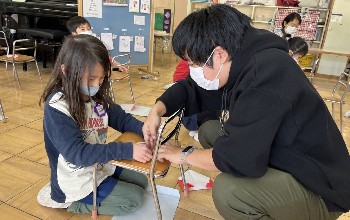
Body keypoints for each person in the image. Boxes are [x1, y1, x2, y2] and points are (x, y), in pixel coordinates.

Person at [143, 4, 350, 220]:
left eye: (194, 63)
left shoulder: (265, 74)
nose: (193, 71)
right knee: (210, 130)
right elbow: (192, 88)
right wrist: (157, 110)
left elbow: (237, 156)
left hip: (320, 188)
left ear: (219, 54)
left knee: (229, 191)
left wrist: (183, 154)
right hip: (288, 157)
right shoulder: (242, 57)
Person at [38, 35, 152, 216]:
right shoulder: (58, 107)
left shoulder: (96, 98)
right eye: (91, 79)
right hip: (75, 179)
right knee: (134, 199)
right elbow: (78, 154)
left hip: (97, 164)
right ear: (66, 71)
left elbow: (121, 119)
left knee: (142, 180)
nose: (97, 85)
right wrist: (128, 150)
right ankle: (73, 204)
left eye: (101, 79)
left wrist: (146, 130)